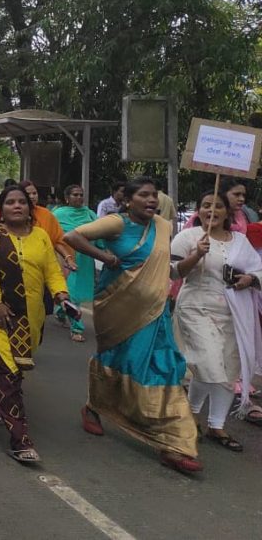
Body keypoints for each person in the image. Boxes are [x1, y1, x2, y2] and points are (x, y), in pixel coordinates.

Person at [64, 177, 202, 474]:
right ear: (128, 200)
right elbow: (72, 237)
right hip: (117, 309)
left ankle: (173, 441)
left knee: (163, 368)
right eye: (144, 195)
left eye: (154, 195)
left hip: (156, 313)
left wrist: (197, 255)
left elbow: (172, 272)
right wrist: (105, 257)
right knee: (118, 362)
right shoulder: (116, 223)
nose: (152, 200)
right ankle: (93, 407)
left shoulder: (164, 227)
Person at [0, 186, 71, 463]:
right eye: (10, 202)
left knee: (12, 371)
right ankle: (20, 439)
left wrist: (62, 296)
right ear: (1, 208)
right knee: (8, 373)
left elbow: (51, 270)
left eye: (21, 202)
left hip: (31, 319)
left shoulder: (41, 237)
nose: (17, 206)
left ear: (29, 208)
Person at [172, 191, 262, 451]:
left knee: (228, 368)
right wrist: (196, 255)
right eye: (206, 205)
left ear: (228, 211)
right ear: (198, 210)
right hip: (195, 308)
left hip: (234, 312)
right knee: (209, 364)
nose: (212, 210)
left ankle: (215, 425)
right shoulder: (188, 237)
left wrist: (249, 279)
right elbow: (172, 270)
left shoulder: (241, 241)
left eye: (218, 206)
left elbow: (257, 269)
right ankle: (190, 413)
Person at [52, 185, 99, 341]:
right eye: (75, 195)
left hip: (85, 257)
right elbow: (51, 234)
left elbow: (100, 233)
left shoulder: (90, 214)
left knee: (75, 292)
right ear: (67, 198)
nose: (79, 198)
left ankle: (60, 310)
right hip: (65, 256)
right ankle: (76, 328)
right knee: (70, 289)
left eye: (81, 195)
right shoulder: (58, 214)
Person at [184, 177, 251, 234]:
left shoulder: (245, 215)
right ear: (223, 194)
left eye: (243, 195)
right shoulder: (205, 215)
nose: (242, 199)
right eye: (236, 194)